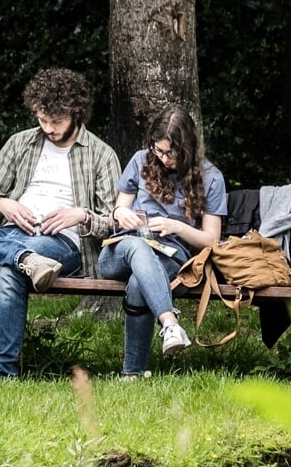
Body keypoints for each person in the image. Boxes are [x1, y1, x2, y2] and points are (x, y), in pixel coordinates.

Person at [0, 68, 122, 384]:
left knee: (10, 269)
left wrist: (81, 215)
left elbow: (114, 221)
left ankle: (1, 374)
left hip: (58, 243)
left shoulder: (101, 155)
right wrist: (3, 205)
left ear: (75, 113)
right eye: (42, 120)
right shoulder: (20, 143)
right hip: (9, 233)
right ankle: (21, 259)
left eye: (56, 122)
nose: (48, 128)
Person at [96, 105, 226, 379]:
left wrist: (175, 225)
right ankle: (170, 322)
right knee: (138, 246)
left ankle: (132, 373)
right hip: (121, 249)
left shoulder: (211, 177)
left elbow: (211, 240)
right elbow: (119, 210)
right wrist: (121, 214)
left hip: (170, 255)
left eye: (171, 152)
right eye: (159, 150)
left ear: (188, 146)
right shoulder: (141, 161)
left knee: (137, 283)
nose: (164, 158)